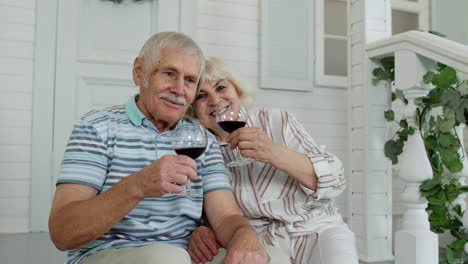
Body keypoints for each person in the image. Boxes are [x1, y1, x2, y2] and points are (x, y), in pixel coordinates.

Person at [48, 32, 289, 264]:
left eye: (190, 80)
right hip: (111, 254)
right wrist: (138, 185)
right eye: (169, 73)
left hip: (188, 257)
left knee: (270, 257)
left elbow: (226, 216)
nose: (179, 89)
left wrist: (244, 237)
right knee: (167, 258)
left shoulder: (201, 136)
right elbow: (63, 232)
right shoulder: (96, 128)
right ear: (139, 71)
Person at [188, 56, 359, 264]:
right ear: (192, 108)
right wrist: (199, 228)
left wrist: (271, 151)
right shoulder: (197, 147)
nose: (215, 100)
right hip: (261, 242)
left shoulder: (276, 120)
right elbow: (197, 205)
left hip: (317, 230)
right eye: (201, 95)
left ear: (238, 90)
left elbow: (335, 180)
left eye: (221, 88)